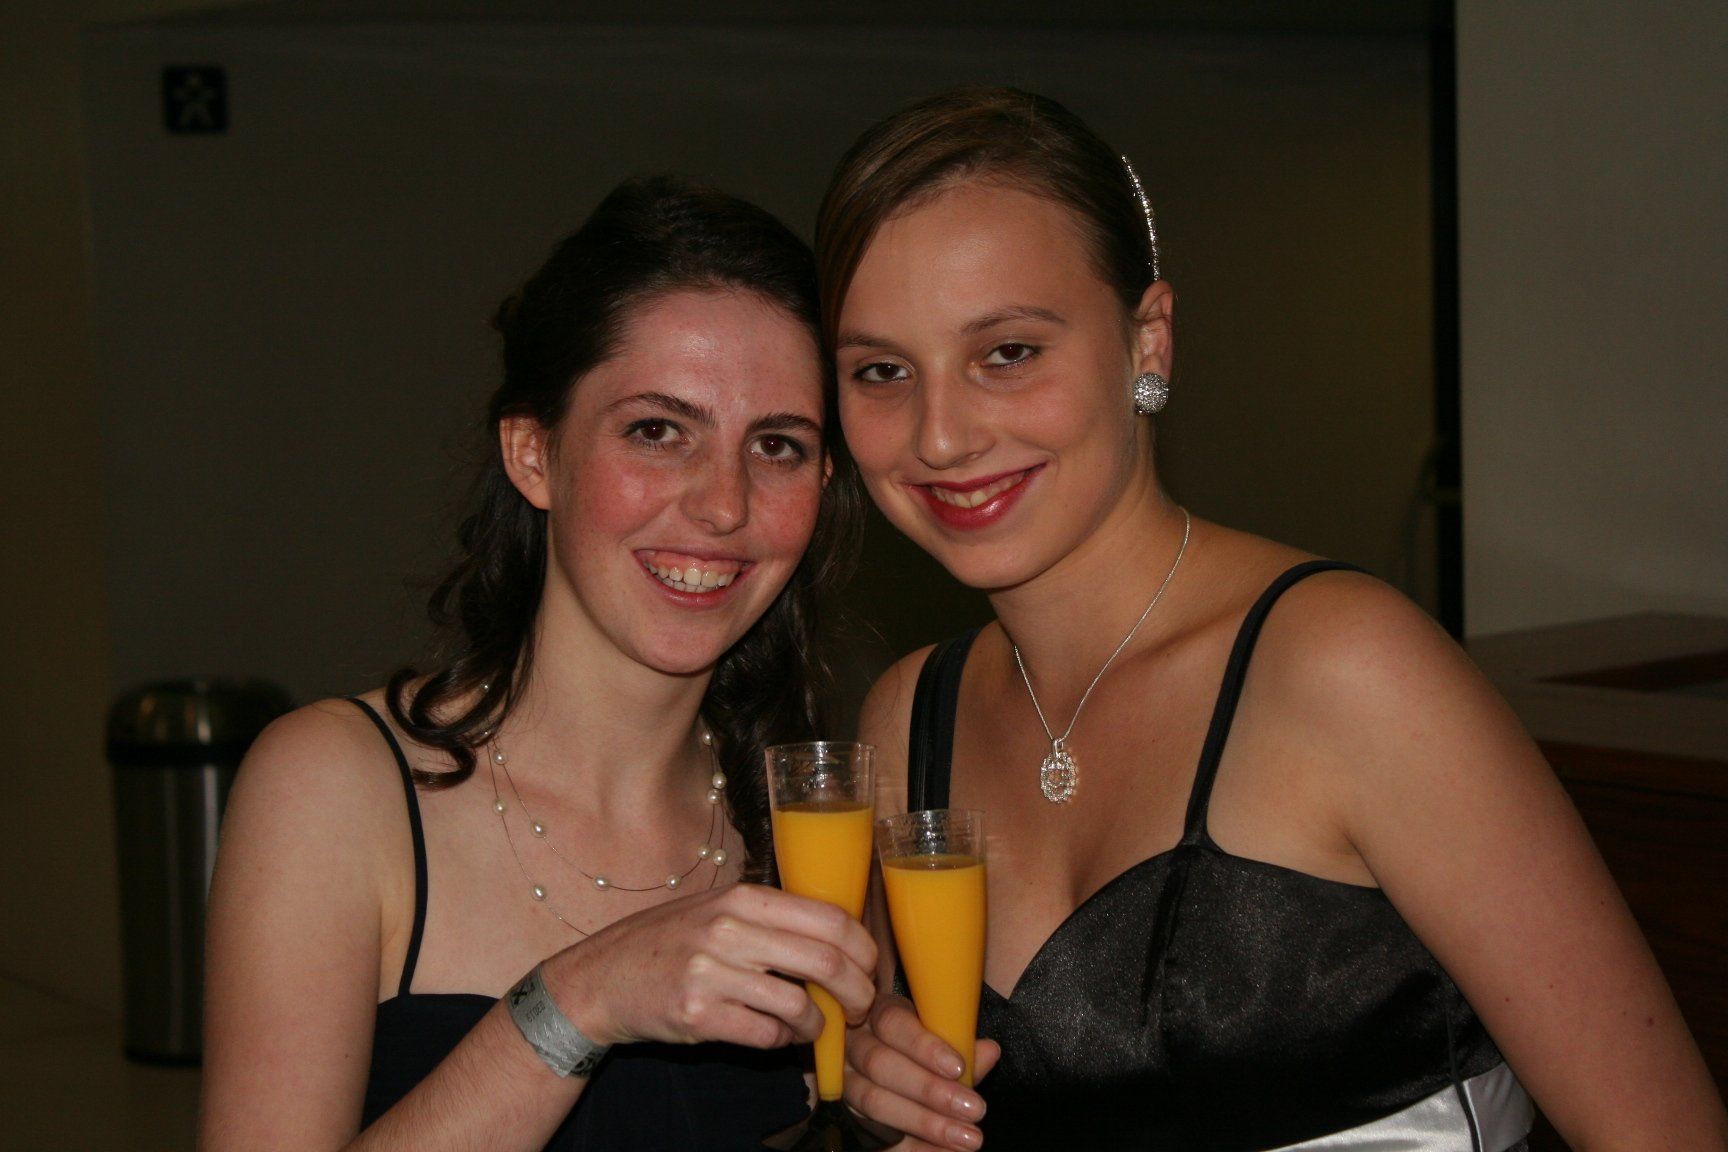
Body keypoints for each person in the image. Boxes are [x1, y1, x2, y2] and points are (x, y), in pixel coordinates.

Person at [816, 88, 1727, 1151]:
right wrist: (879, 1079)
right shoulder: (905, 722)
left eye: (1007, 352)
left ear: (1148, 340)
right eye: (882, 371)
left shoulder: (1348, 669)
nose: (938, 435)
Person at [199, 176, 881, 1152]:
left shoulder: (809, 825)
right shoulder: (335, 789)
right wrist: (574, 1003)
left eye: (777, 445)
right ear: (532, 453)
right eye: (658, 431)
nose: (724, 504)